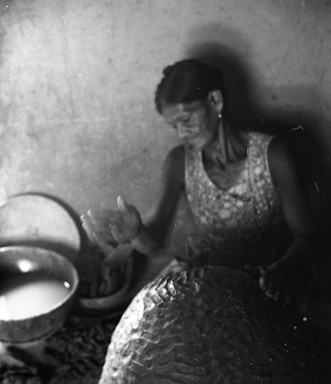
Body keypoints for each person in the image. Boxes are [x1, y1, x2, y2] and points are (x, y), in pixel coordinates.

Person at [85, 59, 319, 308]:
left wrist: (279, 272)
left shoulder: (272, 154)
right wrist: (136, 233)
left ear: (215, 101)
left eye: (186, 119)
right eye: (174, 125)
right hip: (209, 269)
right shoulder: (180, 161)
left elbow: (307, 237)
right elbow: (156, 242)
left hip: (270, 273)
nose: (181, 133)